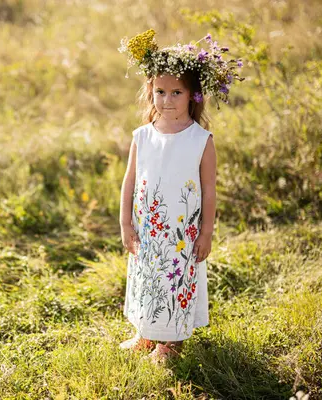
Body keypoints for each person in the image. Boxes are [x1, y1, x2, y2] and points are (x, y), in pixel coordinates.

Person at [116, 29, 244, 365]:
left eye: (176, 92)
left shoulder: (200, 140)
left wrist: (206, 233)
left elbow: (209, 190)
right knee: (146, 277)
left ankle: (171, 342)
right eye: (160, 91)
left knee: (175, 279)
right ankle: (146, 331)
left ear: (193, 96)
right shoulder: (142, 136)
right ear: (150, 91)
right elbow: (130, 180)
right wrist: (125, 223)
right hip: (147, 229)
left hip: (180, 235)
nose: (167, 99)